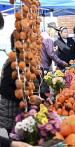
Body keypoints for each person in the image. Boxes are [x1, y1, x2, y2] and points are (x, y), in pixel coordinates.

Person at [0, 11, 32, 147]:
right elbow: (3, 88)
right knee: (14, 135)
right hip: (9, 111)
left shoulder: (24, 60)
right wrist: (20, 97)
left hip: (16, 109)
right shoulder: (12, 62)